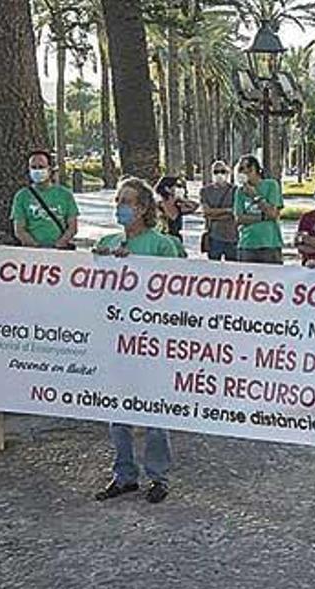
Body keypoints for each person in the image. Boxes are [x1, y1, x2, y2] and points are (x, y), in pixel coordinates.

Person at [92, 177, 186, 504]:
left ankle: (158, 477)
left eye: (127, 201)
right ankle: (124, 475)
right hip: (117, 341)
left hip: (151, 342)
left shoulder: (162, 245)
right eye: (118, 200)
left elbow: (177, 289)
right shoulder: (107, 241)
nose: (120, 206)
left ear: (144, 208)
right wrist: (99, 263)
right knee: (118, 412)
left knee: (155, 412)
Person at [12, 150, 79, 249]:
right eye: (34, 167)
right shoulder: (22, 196)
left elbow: (72, 227)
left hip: (60, 251)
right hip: (32, 253)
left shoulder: (65, 195)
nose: (37, 170)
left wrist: (59, 245)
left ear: (49, 169)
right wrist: (37, 248)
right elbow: (19, 230)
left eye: (41, 167)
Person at [233, 155, 284, 264]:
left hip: (269, 243)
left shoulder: (271, 185)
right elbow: (239, 218)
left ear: (257, 170)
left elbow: (273, 214)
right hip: (247, 244)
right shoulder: (240, 192)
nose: (245, 172)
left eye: (249, 168)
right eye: (242, 169)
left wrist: (255, 196)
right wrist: (262, 217)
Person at [200, 160, 238, 261]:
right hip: (214, 236)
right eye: (216, 172)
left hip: (233, 236)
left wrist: (215, 214)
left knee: (232, 269)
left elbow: (236, 212)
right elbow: (206, 212)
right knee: (214, 269)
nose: (219, 174)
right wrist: (227, 211)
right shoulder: (205, 191)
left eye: (222, 171)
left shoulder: (235, 190)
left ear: (227, 173)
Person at [156, 175, 198, 242]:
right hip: (162, 239)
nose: (176, 188)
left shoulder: (178, 205)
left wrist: (181, 199)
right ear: (167, 188)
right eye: (175, 186)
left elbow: (194, 206)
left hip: (176, 239)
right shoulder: (159, 204)